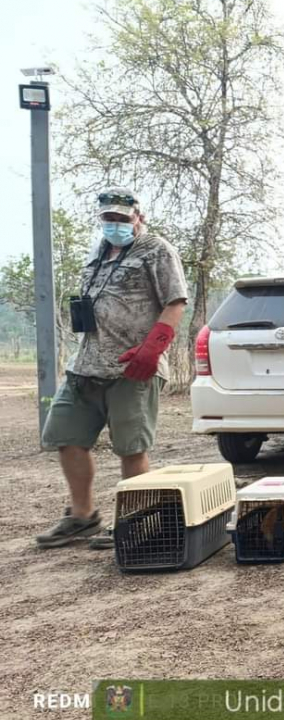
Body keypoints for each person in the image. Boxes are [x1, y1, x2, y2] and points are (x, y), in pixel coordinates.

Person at [36, 186, 188, 548]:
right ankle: (81, 516)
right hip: (86, 363)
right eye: (109, 218)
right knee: (66, 437)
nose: (115, 224)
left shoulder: (157, 250)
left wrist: (152, 349)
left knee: (130, 446)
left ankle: (133, 521)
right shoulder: (98, 251)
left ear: (139, 216)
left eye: (122, 217)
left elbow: (176, 301)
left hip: (132, 366)